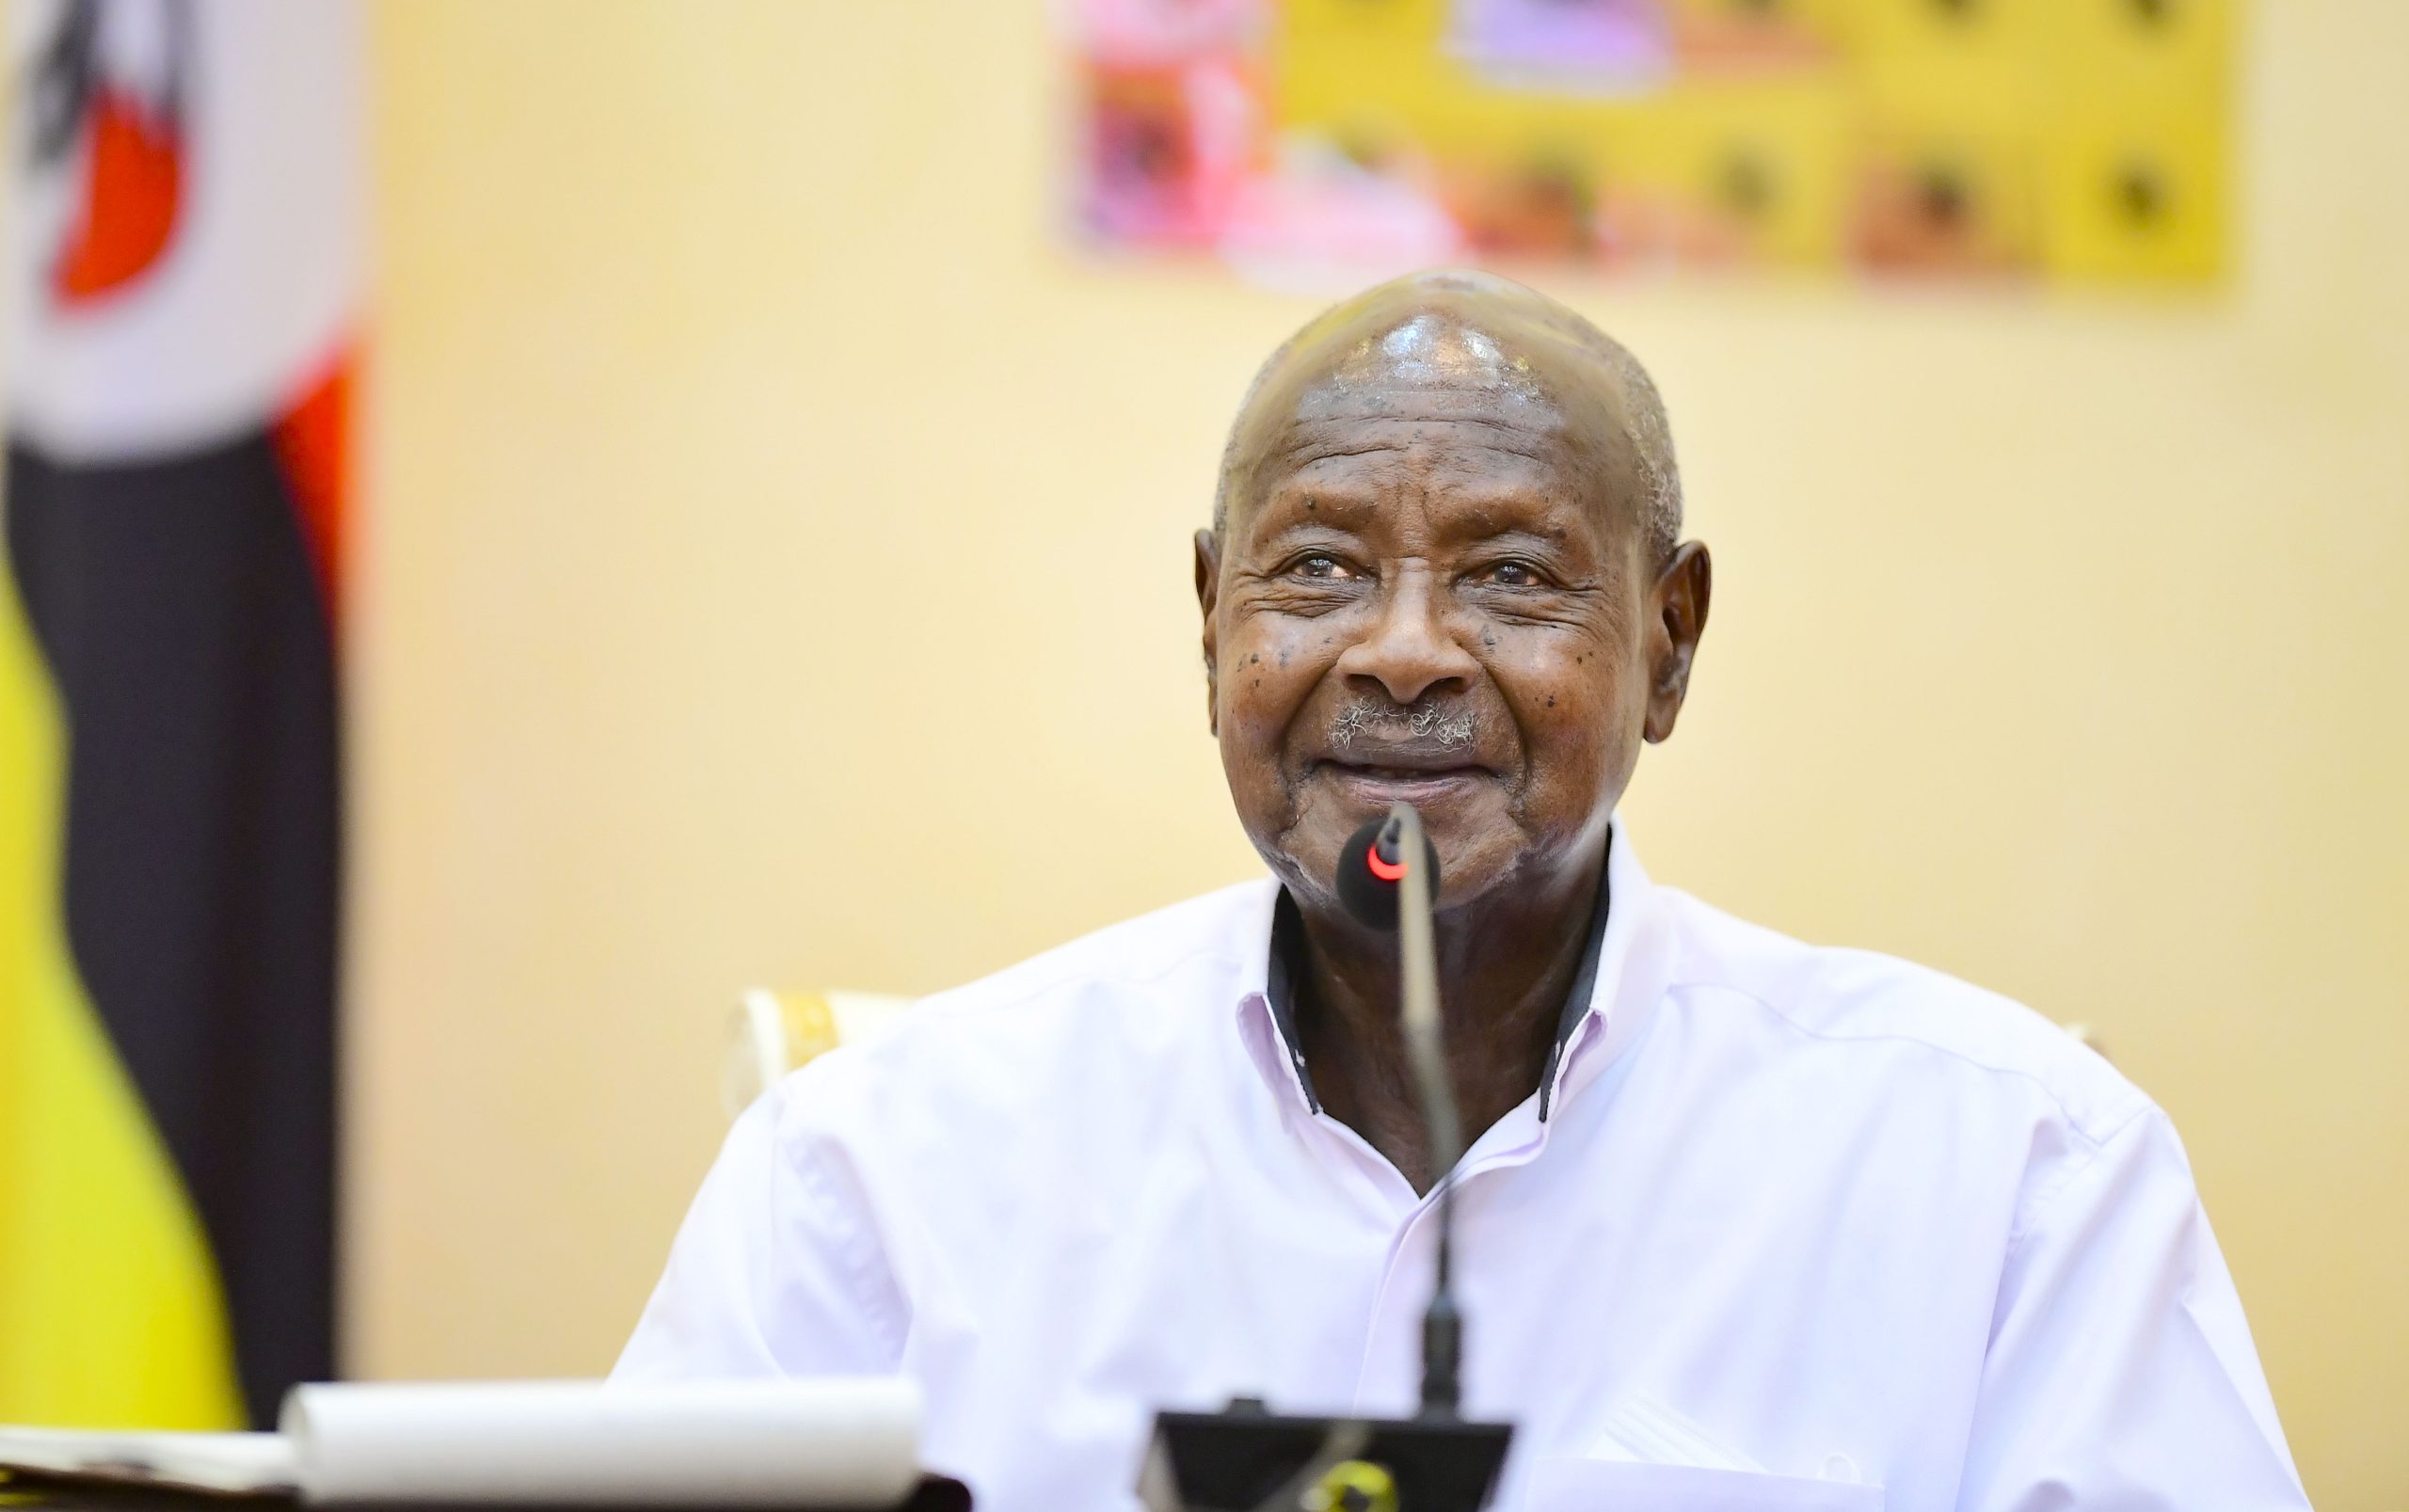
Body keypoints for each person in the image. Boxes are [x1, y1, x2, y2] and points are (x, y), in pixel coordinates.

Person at [615, 271, 2306, 1512]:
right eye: (1322, 566)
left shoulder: (2014, 1170)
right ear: (1214, 622)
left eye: (1510, 575)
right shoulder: (880, 1166)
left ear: (1670, 642)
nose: (1405, 647)